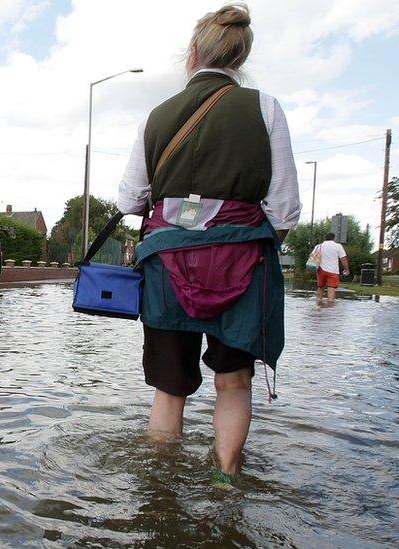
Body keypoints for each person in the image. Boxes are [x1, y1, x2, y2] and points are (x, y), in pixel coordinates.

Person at [116, 3, 301, 485]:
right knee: (234, 382)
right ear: (239, 57)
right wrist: (244, 240)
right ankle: (226, 480)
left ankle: (161, 491)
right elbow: (284, 208)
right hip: (243, 264)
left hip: (166, 267)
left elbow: (130, 198)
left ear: (194, 52)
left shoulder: (157, 115)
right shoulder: (265, 107)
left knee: (169, 389)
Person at [314, 232, 349, 304]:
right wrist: (346, 269)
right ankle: (330, 309)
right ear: (333, 238)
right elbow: (343, 259)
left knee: (320, 287)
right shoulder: (338, 246)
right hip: (333, 271)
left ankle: (318, 305)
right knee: (331, 288)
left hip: (321, 270)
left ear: (325, 238)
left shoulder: (318, 246)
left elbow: (313, 257)